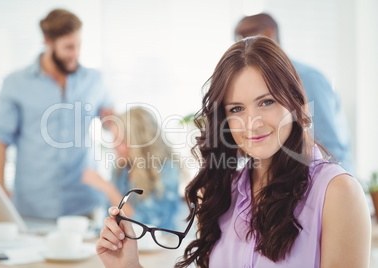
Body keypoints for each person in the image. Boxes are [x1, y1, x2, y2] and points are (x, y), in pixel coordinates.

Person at [95, 37, 370, 267]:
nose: (253, 122)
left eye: (266, 101)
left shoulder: (337, 193)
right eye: (237, 109)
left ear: (295, 102)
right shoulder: (218, 192)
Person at [0, 9, 113, 219]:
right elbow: (0, 140)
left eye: (78, 45)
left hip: (83, 203)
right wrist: (0, 191)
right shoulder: (16, 84)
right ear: (48, 41)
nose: (75, 53)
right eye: (68, 47)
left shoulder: (94, 80)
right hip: (33, 206)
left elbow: (110, 119)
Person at [234, 13, 354, 174]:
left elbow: (330, 145)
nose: (241, 43)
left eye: (246, 35)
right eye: (237, 37)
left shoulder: (307, 78)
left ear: (269, 34)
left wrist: (331, 188)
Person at [82, 107, 181, 230]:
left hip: (161, 246)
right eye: (114, 138)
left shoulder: (167, 169)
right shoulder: (121, 168)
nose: (114, 145)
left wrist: (109, 189)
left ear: (140, 143)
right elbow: (110, 221)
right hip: (126, 246)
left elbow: (146, 225)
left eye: (121, 141)